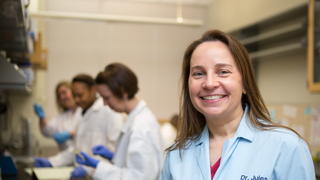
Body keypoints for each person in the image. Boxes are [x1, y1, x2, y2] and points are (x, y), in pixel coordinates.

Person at [160, 30, 316, 180]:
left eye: (223, 71)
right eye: (198, 73)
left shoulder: (286, 147)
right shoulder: (176, 155)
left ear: (245, 84)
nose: (209, 83)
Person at [75, 63, 163, 180]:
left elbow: (139, 177)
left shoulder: (141, 127)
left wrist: (99, 167)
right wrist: (115, 157)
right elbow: (134, 166)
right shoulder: (136, 118)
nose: (105, 104)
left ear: (123, 92)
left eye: (107, 97)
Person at [69, 73, 123, 179]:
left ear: (93, 90)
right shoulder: (80, 113)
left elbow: (114, 151)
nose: (76, 100)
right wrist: (52, 162)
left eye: (80, 95)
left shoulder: (109, 111)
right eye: (74, 96)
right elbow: (76, 148)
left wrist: (87, 168)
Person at [33, 81, 82, 167]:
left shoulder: (83, 112)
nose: (62, 97)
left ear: (73, 91)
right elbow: (46, 131)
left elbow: (88, 134)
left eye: (64, 92)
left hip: (81, 161)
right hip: (64, 162)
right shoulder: (62, 117)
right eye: (59, 95)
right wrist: (41, 116)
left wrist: (71, 134)